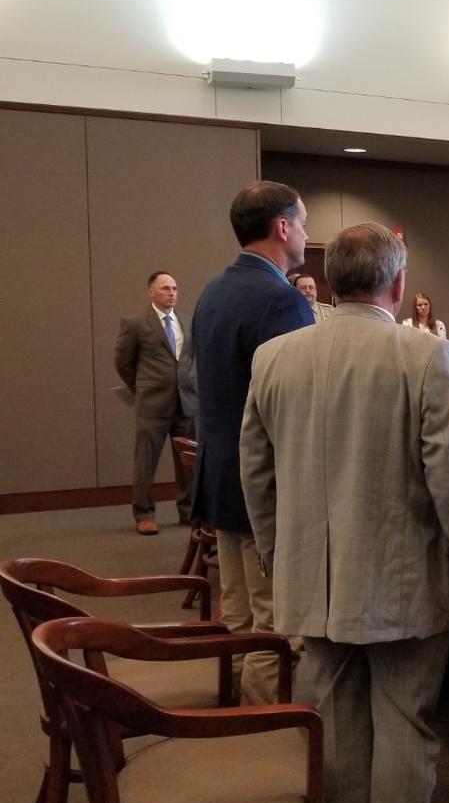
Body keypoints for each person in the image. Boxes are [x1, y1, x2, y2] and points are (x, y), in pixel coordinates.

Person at [241, 221, 449, 803]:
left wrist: (278, 561)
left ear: (326, 283)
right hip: (403, 587)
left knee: (332, 723)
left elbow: (255, 478)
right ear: (399, 283)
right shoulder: (427, 356)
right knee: (403, 727)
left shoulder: (273, 359)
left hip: (310, 586)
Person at [191, 181, 314, 705]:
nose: (307, 235)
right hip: (264, 488)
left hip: (220, 477)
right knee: (273, 623)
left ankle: (231, 708)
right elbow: (301, 410)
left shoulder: (212, 291)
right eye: (303, 223)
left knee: (238, 612)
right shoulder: (281, 301)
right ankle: (260, 736)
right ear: (282, 228)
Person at [113, 271, 198, 535]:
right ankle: (144, 514)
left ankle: (188, 512)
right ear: (151, 292)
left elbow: (190, 359)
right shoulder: (136, 323)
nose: (171, 292)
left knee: (188, 463)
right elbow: (123, 363)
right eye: (165, 288)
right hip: (152, 404)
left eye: (174, 288)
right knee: (145, 462)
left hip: (186, 403)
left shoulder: (186, 321)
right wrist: (140, 388)